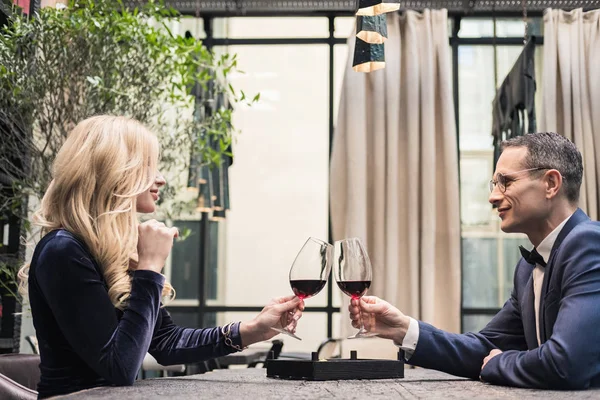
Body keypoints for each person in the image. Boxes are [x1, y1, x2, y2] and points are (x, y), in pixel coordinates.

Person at [18, 115, 304, 399]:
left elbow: (167, 342)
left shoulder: (109, 251)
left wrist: (254, 329)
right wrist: (150, 268)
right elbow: (119, 367)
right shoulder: (63, 250)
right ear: (114, 171)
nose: (161, 178)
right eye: (149, 166)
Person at [349, 132, 600, 390]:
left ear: (550, 183)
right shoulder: (526, 268)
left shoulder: (589, 244)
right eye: (494, 184)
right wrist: (403, 329)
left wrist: (500, 362)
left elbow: (566, 364)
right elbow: (485, 348)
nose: (493, 197)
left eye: (506, 181)